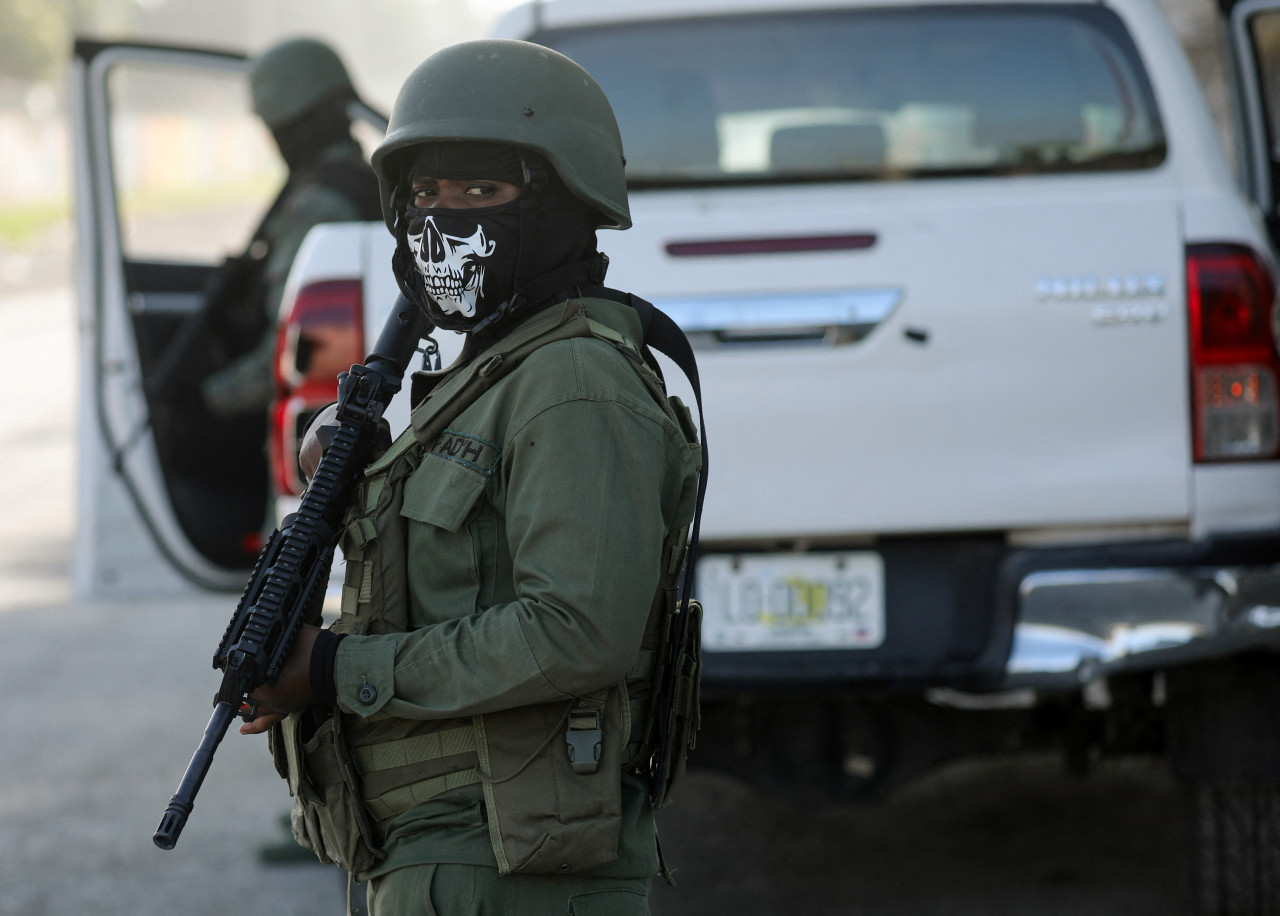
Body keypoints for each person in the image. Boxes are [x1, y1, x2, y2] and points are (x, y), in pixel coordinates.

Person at [238, 39, 704, 915]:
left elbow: (575, 632)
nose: (443, 218)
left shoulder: (573, 383)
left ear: (565, 203)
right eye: (424, 194)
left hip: (506, 863)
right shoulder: (491, 376)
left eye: (482, 192)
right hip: (442, 854)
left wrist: (337, 670)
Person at [197, 36, 383, 419]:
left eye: (278, 128)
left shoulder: (321, 204)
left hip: (321, 419)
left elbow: (293, 351)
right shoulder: (367, 182)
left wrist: (209, 399)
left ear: (299, 124)